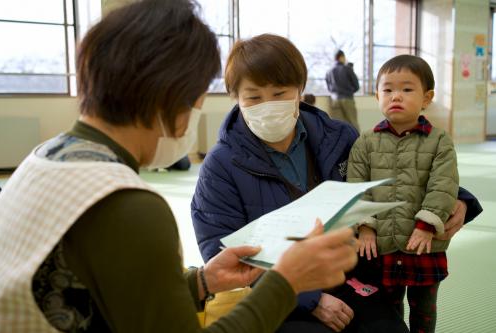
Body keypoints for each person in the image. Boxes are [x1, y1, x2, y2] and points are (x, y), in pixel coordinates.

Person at [0, 2, 359, 332]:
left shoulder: (45, 157)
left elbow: (105, 293)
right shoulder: (128, 205)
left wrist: (200, 282)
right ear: (170, 96)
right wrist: (287, 281)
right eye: (198, 97)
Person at [191, 35, 483, 333]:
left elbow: (397, 169)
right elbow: (220, 252)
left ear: (300, 90)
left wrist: (461, 200)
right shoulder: (220, 166)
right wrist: (310, 299)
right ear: (235, 96)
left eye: (280, 93)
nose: (268, 105)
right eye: (253, 97)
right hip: (275, 293)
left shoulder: (337, 136)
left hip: (349, 276)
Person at [347, 54, 468, 333]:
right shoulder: (365, 141)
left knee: (424, 309)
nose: (395, 96)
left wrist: (427, 225)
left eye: (407, 89)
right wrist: (365, 227)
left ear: (427, 98)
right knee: (389, 309)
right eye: (387, 89)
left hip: (423, 244)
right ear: (377, 95)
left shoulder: (440, 141)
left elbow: (444, 184)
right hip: (381, 244)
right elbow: (357, 185)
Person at [325, 50, 360, 132]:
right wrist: (350, 91)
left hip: (334, 100)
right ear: (341, 57)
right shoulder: (347, 69)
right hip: (347, 99)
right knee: (353, 123)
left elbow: (329, 88)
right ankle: (357, 144)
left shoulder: (329, 71)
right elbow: (356, 86)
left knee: (337, 126)